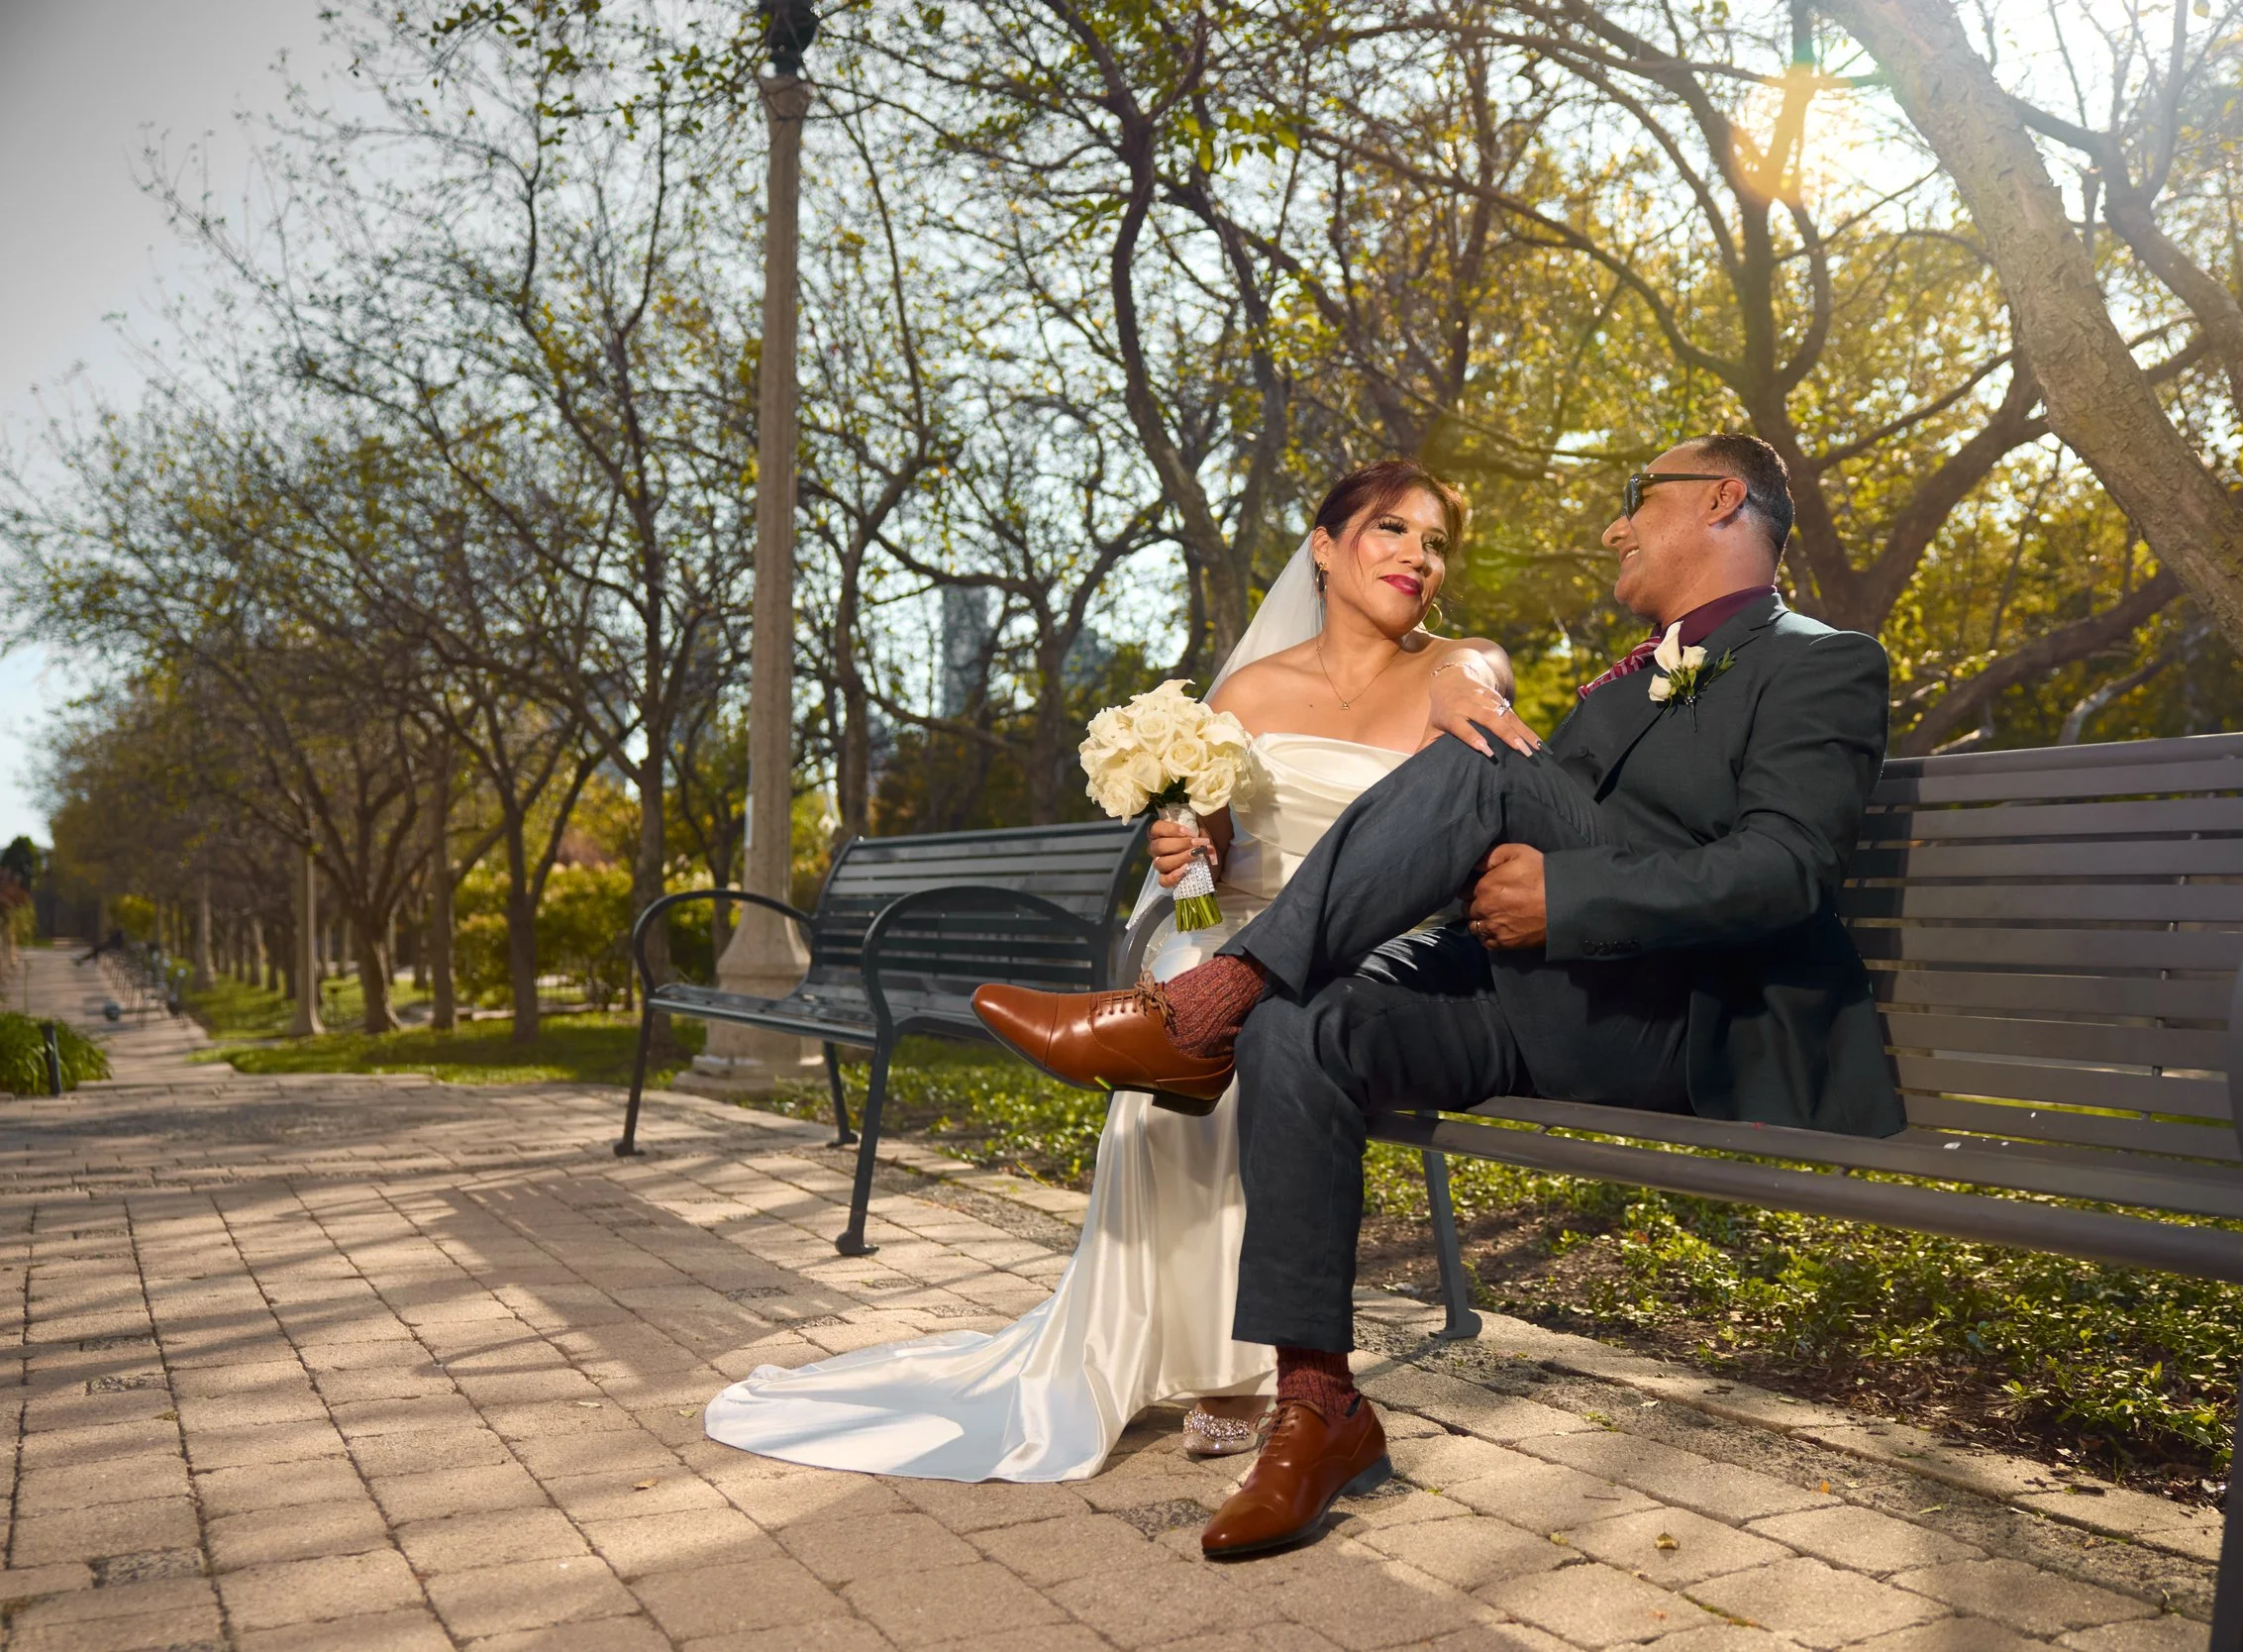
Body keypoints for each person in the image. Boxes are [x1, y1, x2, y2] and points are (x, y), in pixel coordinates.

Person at [972, 432, 1904, 1554]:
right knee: (1302, 1022)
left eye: (1631, 500)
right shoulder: (1625, 678)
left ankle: (1200, 1012)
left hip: (1677, 1016)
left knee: (1471, 754)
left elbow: (1786, 867)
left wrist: (1569, 894)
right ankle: (1320, 1408)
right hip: (1532, 997)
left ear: (1719, 500)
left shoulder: (1821, 660)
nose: (1613, 527)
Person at [702, 459, 1514, 1481]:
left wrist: (1454, 673)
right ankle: (1216, 1361)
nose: (1417, 557)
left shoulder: (1459, 666)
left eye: (1435, 543)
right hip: (1241, 931)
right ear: (1323, 542)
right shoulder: (1255, 687)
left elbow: (1477, 712)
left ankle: (1249, 1349)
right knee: (1188, 1022)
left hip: (1374, 952)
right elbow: (1210, 848)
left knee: (1223, 1021)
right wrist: (1188, 851)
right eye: (1391, 530)